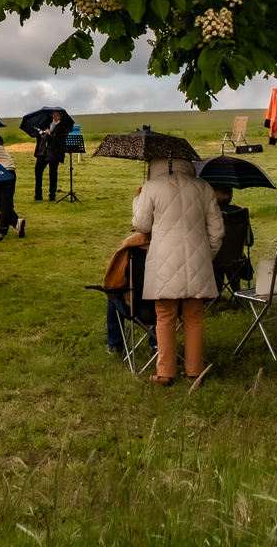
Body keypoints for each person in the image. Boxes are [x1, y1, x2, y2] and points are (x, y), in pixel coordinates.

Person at [131, 154, 223, 386]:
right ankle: (195, 372)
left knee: (165, 317)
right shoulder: (204, 187)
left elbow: (142, 225)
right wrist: (206, 257)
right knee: (194, 318)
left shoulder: (151, 187)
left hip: (163, 261)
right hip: (198, 260)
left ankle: (165, 373)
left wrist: (137, 201)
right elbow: (217, 231)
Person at [99, 226, 151, 354]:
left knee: (112, 294)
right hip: (175, 308)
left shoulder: (133, 245)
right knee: (162, 304)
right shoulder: (176, 244)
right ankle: (156, 345)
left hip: (139, 309)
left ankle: (114, 345)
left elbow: (113, 281)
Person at [210, 183, 248, 295]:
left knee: (218, 255)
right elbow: (250, 241)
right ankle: (237, 291)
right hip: (236, 260)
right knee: (232, 255)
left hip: (213, 260)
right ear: (231, 195)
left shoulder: (210, 214)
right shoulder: (240, 212)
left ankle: (216, 293)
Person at [31, 110, 70, 201]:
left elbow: (59, 141)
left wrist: (49, 135)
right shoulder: (47, 124)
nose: (54, 117)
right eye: (53, 115)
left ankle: (52, 195)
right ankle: (38, 194)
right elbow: (39, 134)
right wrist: (42, 134)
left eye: (56, 115)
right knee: (38, 171)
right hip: (43, 151)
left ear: (60, 116)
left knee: (52, 174)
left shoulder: (63, 127)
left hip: (54, 153)